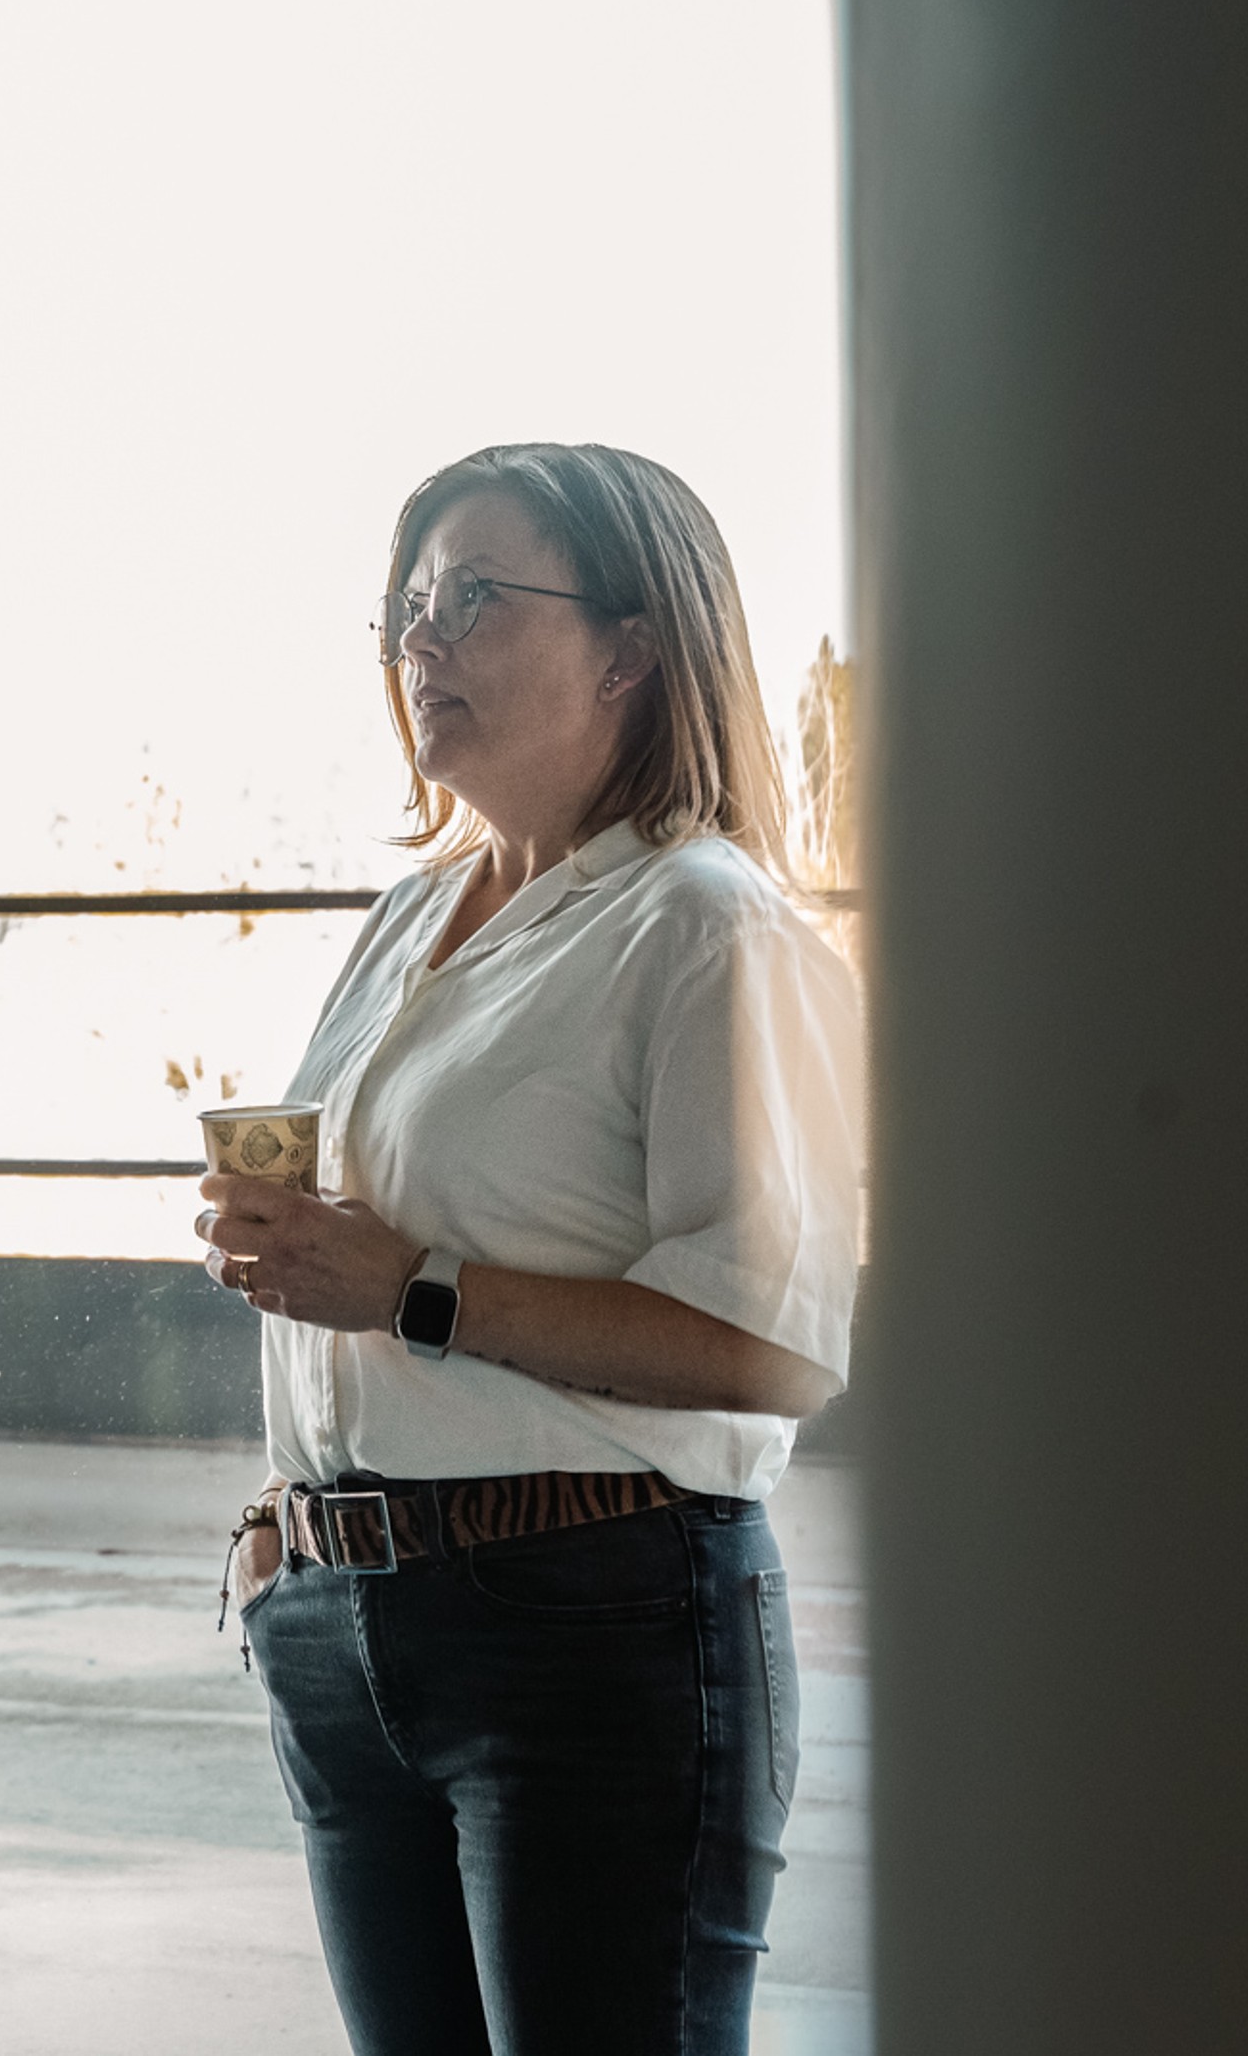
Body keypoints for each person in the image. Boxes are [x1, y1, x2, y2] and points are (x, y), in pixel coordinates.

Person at [197, 442, 863, 2055]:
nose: (419, 644)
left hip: (590, 1628)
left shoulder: (707, 927)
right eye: (408, 608)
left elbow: (779, 1341)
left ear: (632, 650)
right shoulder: (410, 916)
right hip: (345, 1625)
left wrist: (413, 1289)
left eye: (475, 600)